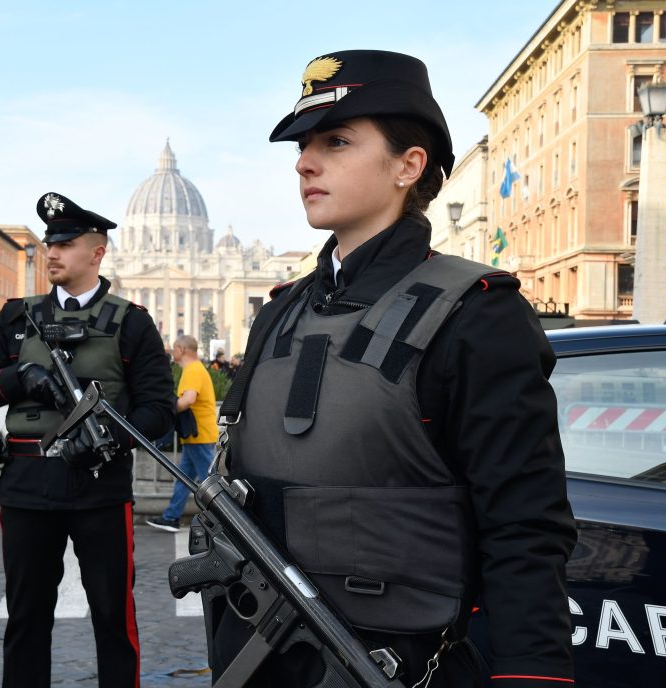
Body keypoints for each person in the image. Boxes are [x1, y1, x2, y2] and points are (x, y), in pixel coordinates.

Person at [209, 51, 577, 687]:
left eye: (338, 141)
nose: (305, 162)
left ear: (410, 165)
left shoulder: (478, 315)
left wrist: (532, 674)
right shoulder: (279, 313)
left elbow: (525, 522)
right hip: (258, 656)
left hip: (404, 665)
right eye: (304, 145)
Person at [0, 192, 174, 688]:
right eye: (50, 243)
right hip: (28, 484)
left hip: (99, 486)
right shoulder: (17, 317)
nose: (51, 252)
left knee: (112, 619)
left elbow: (158, 411)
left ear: (97, 252)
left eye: (66, 243)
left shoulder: (131, 322)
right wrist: (22, 378)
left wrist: (108, 438)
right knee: (26, 619)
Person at [147, 334, 218, 532]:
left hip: (199, 436)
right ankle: (171, 517)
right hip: (197, 436)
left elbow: (188, 399)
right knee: (185, 479)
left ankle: (226, 521)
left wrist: (166, 411)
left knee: (210, 484)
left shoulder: (192, 370)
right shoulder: (196, 369)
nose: (171, 351)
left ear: (181, 349)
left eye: (173, 348)